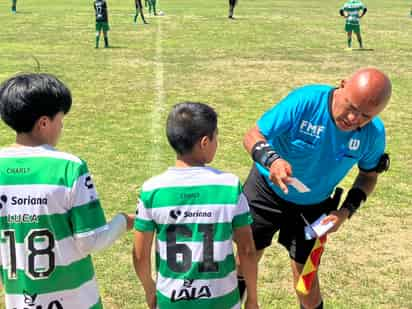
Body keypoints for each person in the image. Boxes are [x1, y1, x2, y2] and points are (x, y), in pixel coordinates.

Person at [237, 67, 391, 309]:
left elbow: (368, 175)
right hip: (265, 191)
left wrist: (345, 211)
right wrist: (272, 161)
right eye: (351, 107)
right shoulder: (306, 101)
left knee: (306, 284)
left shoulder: (373, 134)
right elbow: (252, 135)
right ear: (342, 85)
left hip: (314, 205)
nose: (353, 120)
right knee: (243, 264)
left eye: (364, 116)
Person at [0, 73, 135, 309]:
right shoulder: (69, 167)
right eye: (60, 120)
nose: (62, 126)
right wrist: (125, 220)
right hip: (76, 301)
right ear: (44, 123)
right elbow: (90, 241)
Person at [133, 102, 259, 309]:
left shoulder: (152, 190)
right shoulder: (229, 186)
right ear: (204, 142)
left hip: (171, 301)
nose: (217, 143)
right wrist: (252, 298)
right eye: (216, 137)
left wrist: (149, 289)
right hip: (222, 301)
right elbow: (247, 250)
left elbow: (140, 254)